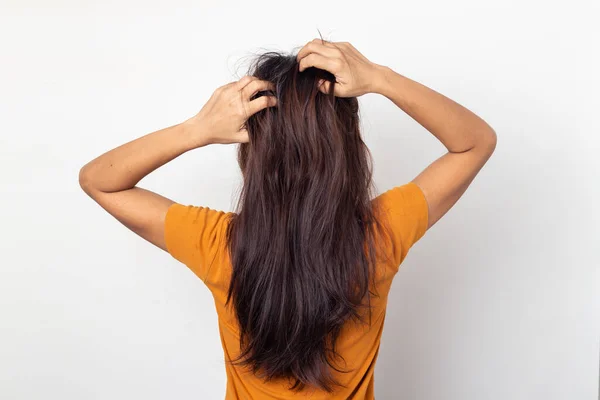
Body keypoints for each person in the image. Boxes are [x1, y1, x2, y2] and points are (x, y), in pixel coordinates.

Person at [79, 38, 497, 399]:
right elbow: (474, 143)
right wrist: (380, 78)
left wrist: (197, 129)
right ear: (347, 145)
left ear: (253, 150)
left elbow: (100, 180)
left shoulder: (217, 243)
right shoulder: (381, 233)